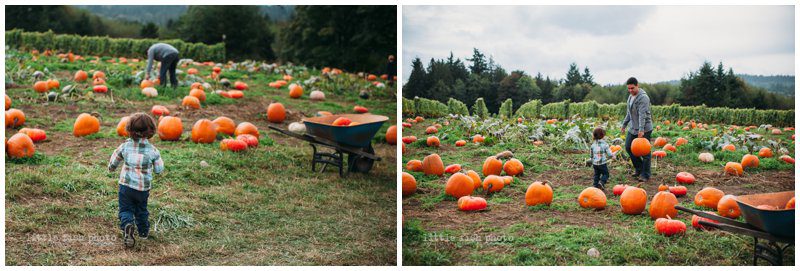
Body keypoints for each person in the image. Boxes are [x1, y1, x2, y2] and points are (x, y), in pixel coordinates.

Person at [108, 113, 164, 248]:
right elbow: (159, 169)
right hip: (143, 189)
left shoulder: (125, 146)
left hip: (126, 187)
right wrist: (157, 171)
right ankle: (143, 233)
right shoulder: (153, 151)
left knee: (125, 209)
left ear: (130, 130)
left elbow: (115, 159)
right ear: (151, 131)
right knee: (141, 210)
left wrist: (111, 167)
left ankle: (127, 224)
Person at [620, 77, 653, 182]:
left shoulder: (643, 98)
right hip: (633, 127)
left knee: (645, 152)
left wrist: (641, 130)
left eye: (632, 88)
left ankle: (645, 174)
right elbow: (629, 113)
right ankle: (639, 168)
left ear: (637, 85)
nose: (630, 91)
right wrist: (624, 125)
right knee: (629, 147)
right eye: (628, 89)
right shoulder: (630, 97)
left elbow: (642, 115)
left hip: (644, 129)